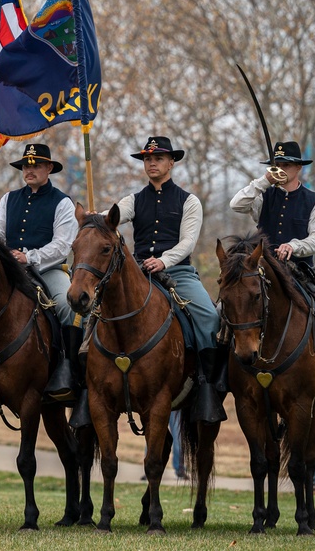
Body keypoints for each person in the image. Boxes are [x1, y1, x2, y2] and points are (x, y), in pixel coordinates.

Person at [229, 140, 315, 395]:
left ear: (298, 168)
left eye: (286, 165)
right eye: (277, 165)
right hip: (263, 271)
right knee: (222, 310)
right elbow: (236, 204)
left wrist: (294, 246)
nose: (281, 169)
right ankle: (219, 377)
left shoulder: (314, 201)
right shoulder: (263, 195)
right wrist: (263, 181)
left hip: (300, 271)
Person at [104, 136, 224, 423]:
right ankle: (85, 380)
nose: (152, 163)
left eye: (158, 158)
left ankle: (208, 385)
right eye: (147, 159)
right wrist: (94, 219)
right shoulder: (133, 200)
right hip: (139, 274)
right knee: (95, 311)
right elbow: (112, 217)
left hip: (178, 272)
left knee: (209, 316)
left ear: (171, 162)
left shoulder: (189, 201)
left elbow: (188, 243)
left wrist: (164, 261)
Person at [0, 142, 80, 401]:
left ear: (49, 168)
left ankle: (69, 369)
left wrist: (29, 257)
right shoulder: (9, 198)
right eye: (26, 166)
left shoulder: (63, 203)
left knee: (68, 305)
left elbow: (62, 244)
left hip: (48, 270)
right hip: (8, 270)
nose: (29, 170)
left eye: (36, 165)